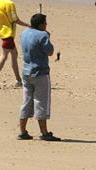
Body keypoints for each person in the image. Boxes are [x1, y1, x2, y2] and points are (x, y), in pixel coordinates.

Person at [18, 13, 58, 141]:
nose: (46, 25)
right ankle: (44, 132)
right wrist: (47, 36)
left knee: (26, 101)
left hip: (26, 71)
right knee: (41, 102)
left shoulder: (24, 33)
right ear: (41, 25)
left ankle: (23, 131)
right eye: (45, 23)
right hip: (40, 73)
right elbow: (50, 52)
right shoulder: (43, 35)